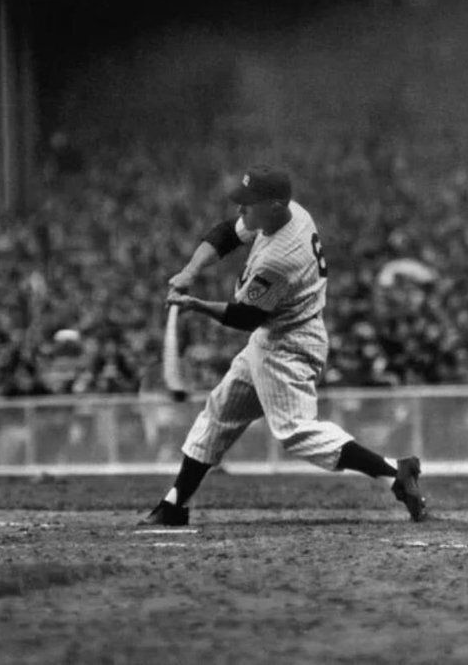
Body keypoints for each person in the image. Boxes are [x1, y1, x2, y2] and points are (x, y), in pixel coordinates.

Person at [141, 166, 426, 526]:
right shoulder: (287, 214)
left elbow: (245, 317)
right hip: (272, 338)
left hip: (288, 344)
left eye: (249, 203)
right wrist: (190, 271)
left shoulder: (282, 256)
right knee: (219, 414)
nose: (242, 210)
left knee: (295, 431)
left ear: (274, 205)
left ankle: (393, 470)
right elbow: (227, 233)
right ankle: (174, 504)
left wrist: (196, 305)